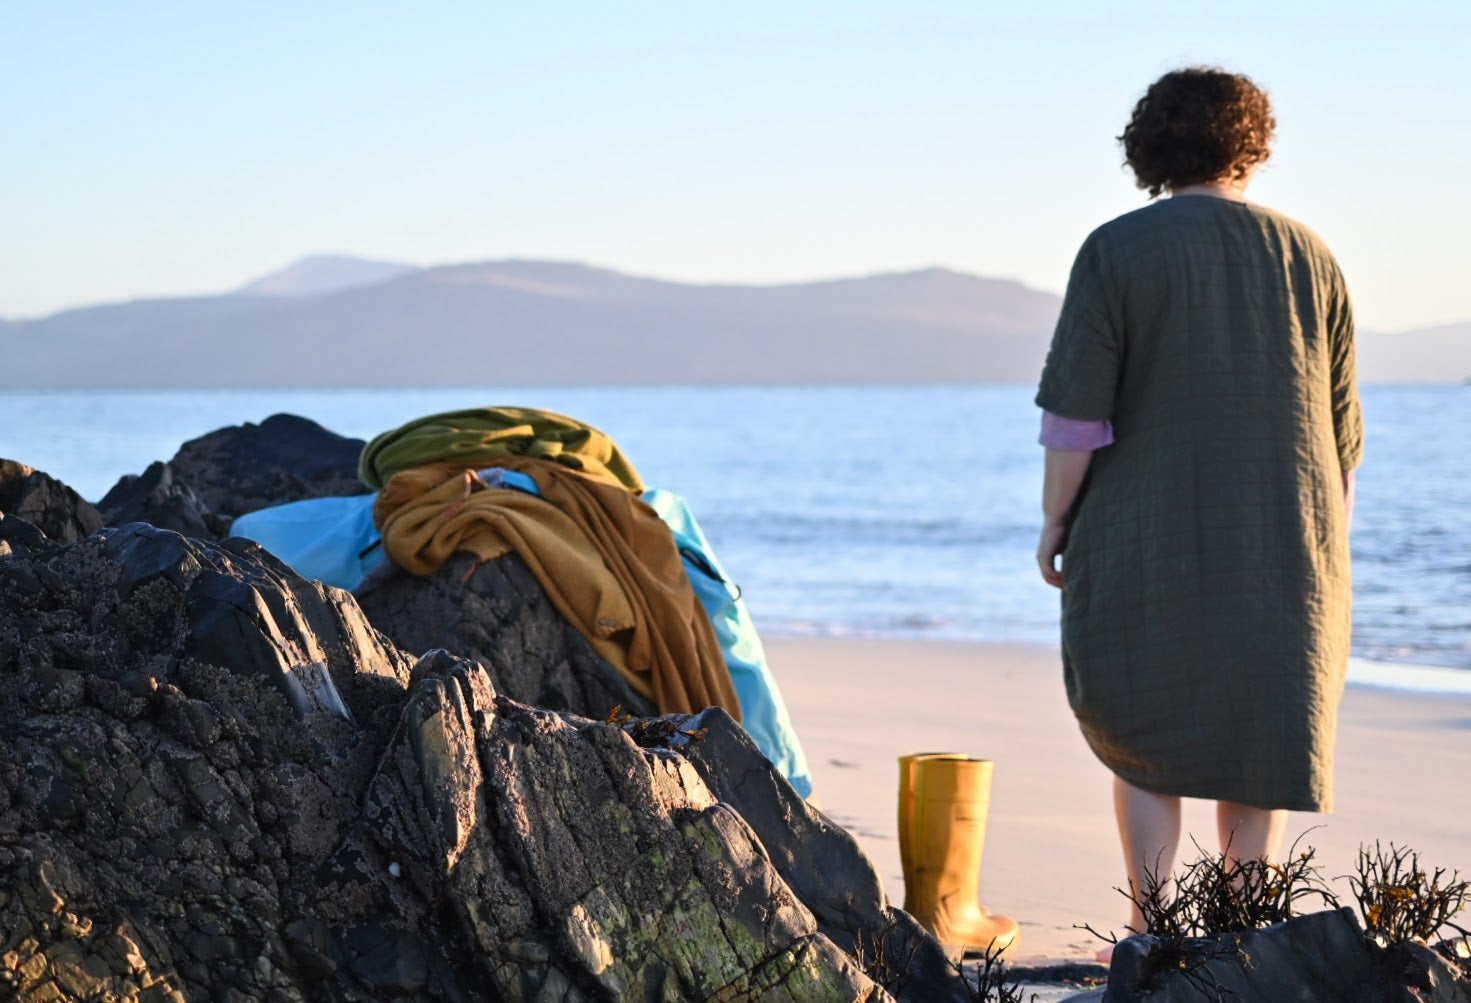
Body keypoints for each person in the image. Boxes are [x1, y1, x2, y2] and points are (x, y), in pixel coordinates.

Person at [1033, 67, 1363, 956]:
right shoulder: (1310, 255)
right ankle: (1244, 933)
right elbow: (1339, 442)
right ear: (1251, 145)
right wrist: (1328, 546)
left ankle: (1149, 927)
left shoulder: (1117, 249)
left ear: (1148, 148)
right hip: (1287, 543)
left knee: (1144, 728)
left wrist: (1053, 521)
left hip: (1144, 535)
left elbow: (1073, 418)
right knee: (1256, 727)